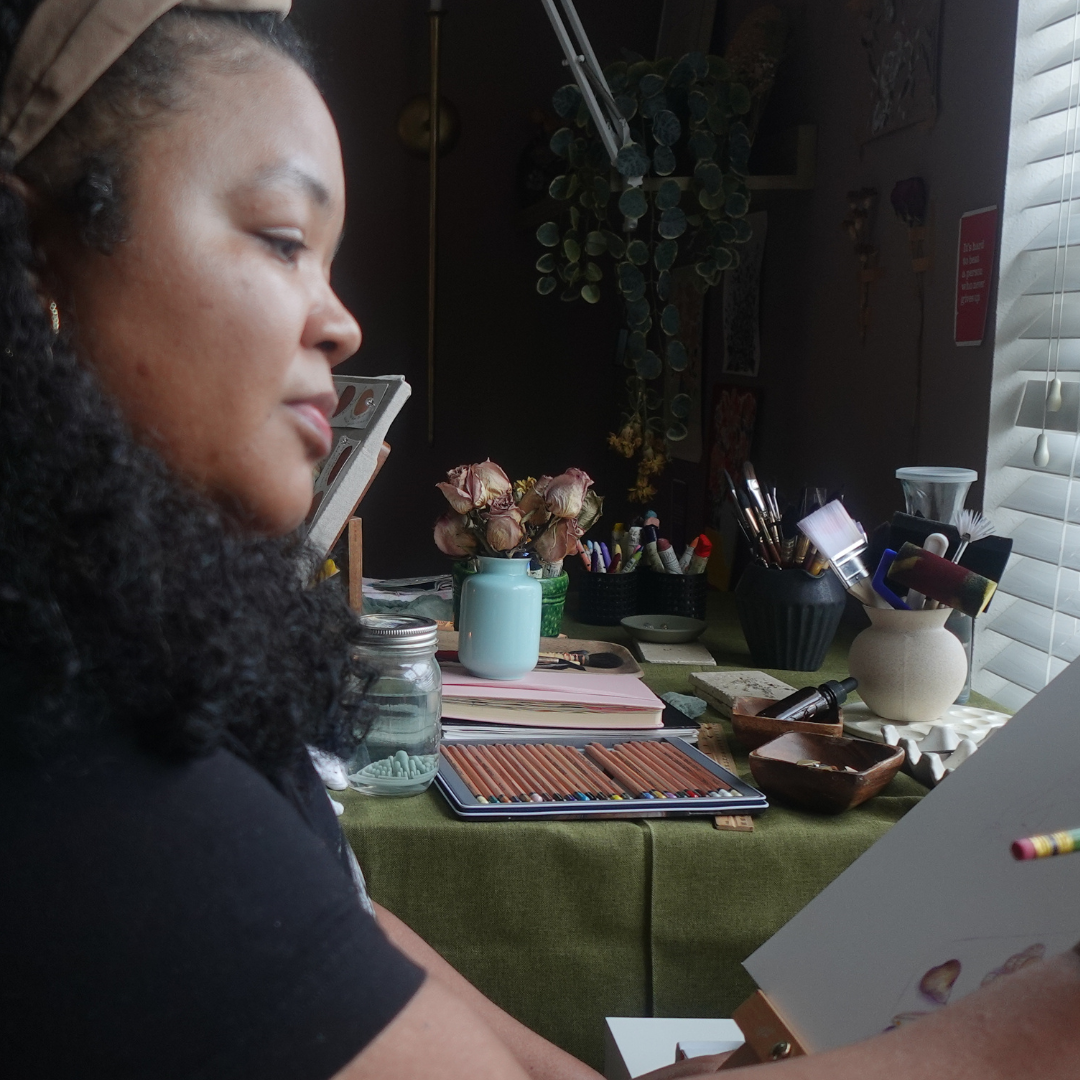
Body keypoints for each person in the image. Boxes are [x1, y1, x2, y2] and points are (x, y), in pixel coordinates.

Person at [2, 4, 1079, 1080]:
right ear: (35, 266)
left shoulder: (124, 676)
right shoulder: (80, 782)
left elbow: (342, 931)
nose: (342, 322)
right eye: (285, 240)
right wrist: (1030, 1034)